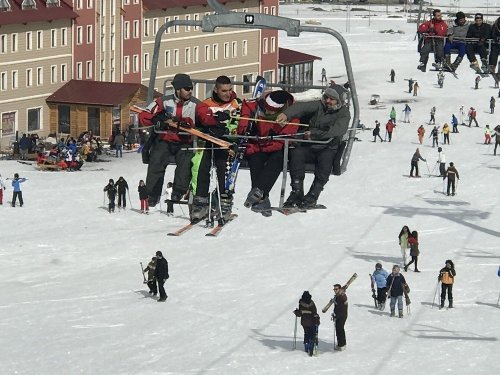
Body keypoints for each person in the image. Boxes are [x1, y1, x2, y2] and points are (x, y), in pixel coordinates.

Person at [276, 85, 351, 209]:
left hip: (327, 146)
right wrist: (286, 114)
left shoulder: (343, 113)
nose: (328, 101)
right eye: (326, 97)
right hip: (309, 145)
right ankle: (297, 191)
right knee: (296, 153)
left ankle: (313, 194)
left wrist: (315, 134)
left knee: (326, 160)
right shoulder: (319, 105)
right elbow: (301, 107)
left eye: (332, 99)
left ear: (339, 101)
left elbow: (337, 130)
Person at [139, 73, 200, 208]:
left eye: (191, 88)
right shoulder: (163, 101)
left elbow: (204, 119)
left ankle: (178, 191)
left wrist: (188, 123)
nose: (190, 91)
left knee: (185, 163)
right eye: (187, 88)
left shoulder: (196, 104)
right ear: (177, 89)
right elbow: (144, 116)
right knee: (157, 160)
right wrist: (156, 119)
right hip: (165, 139)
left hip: (185, 140)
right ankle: (152, 194)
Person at [237, 90, 298, 216]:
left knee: (277, 159)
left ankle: (259, 193)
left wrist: (261, 146)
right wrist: (245, 124)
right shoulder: (259, 106)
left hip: (276, 148)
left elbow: (283, 141)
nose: (267, 111)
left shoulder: (292, 115)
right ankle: (262, 198)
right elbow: (247, 107)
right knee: (255, 159)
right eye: (266, 108)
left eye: (271, 110)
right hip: (259, 145)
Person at [191, 75, 241, 223]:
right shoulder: (206, 104)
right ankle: (201, 202)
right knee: (200, 167)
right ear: (216, 90)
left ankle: (224, 203)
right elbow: (202, 119)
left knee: (224, 168)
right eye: (224, 90)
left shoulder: (237, 104)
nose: (228, 94)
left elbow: (240, 124)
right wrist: (212, 124)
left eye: (230, 90)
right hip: (208, 142)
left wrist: (228, 129)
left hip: (228, 143)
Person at [293, 291, 320, 355]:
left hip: (304, 322)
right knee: (312, 334)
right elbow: (314, 312)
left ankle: (306, 347)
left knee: (306, 333)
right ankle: (311, 348)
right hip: (311, 321)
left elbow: (300, 313)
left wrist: (297, 312)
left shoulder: (301, 303)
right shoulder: (312, 303)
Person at [331, 283, 348, 351]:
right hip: (338, 315)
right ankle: (340, 344)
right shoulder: (338, 296)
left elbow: (342, 308)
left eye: (336, 289)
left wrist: (336, 316)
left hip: (342, 315)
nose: (335, 290)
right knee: (338, 329)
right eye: (334, 289)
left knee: (340, 329)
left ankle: (342, 344)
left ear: (339, 289)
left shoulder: (342, 296)